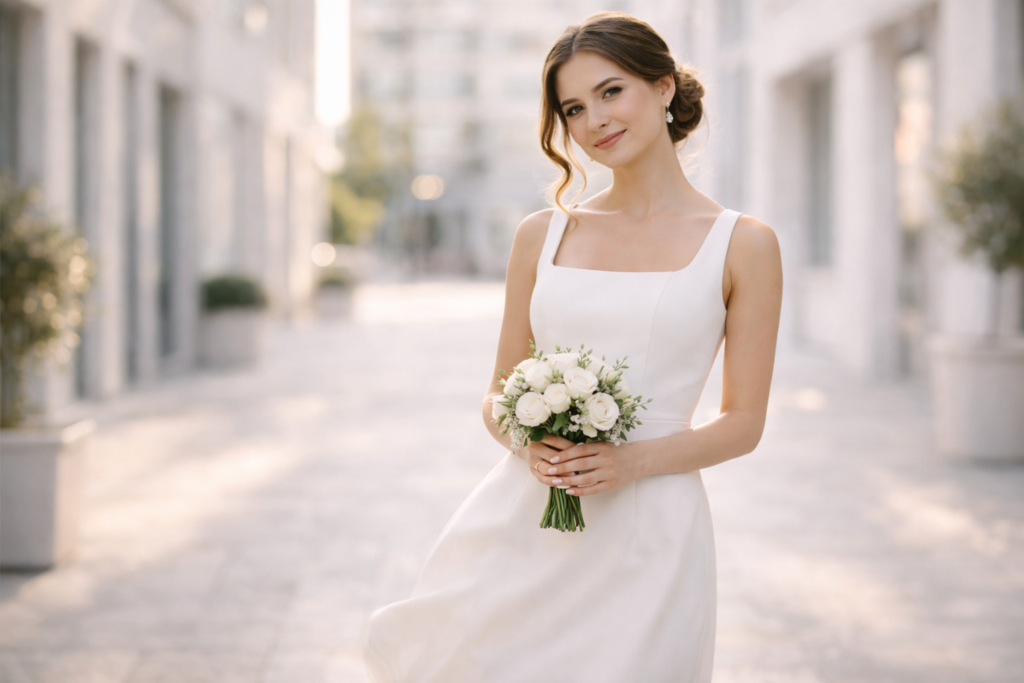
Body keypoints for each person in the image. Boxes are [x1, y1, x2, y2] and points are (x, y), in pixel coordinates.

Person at [362, 11, 782, 682]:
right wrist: (528, 442)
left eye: (612, 91)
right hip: (528, 521)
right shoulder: (541, 235)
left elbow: (743, 424)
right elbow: (498, 390)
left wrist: (628, 463)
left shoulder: (744, 243)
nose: (594, 121)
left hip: (655, 532)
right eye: (573, 108)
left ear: (665, 87)